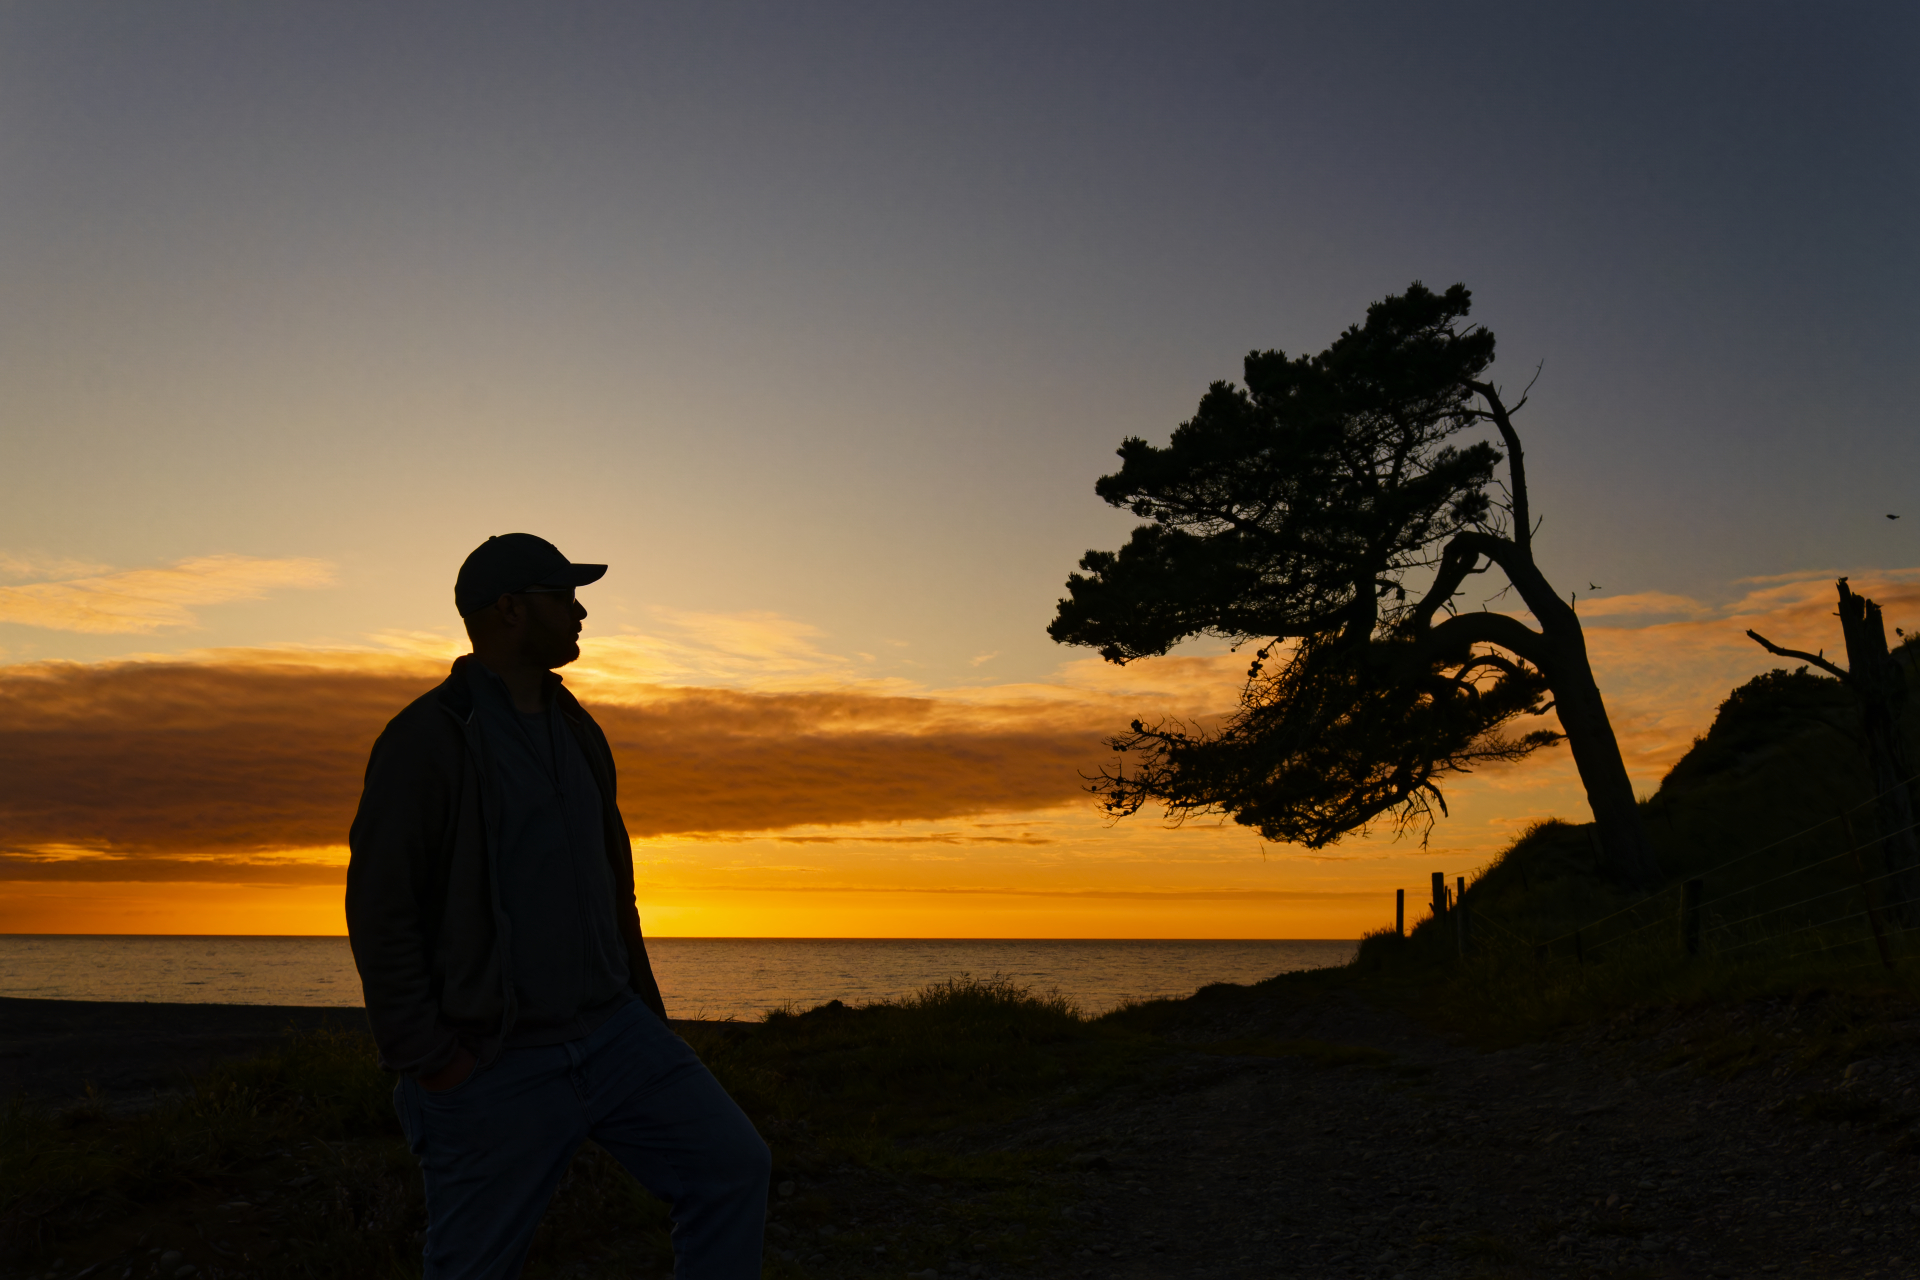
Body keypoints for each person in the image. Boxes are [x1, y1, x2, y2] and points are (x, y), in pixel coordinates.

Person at [346, 532, 769, 1279]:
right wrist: (432, 1060)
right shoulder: (426, 739)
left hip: (616, 1036)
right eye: (564, 596)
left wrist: (647, 1017)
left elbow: (613, 887)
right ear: (511, 609)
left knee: (732, 1169)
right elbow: (382, 908)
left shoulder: (578, 728)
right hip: (494, 1062)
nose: (580, 613)